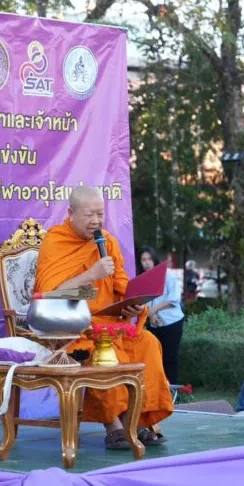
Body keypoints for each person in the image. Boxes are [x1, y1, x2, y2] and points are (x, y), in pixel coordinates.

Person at [34, 186, 173, 450]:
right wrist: (91, 275)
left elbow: (120, 284)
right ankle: (114, 426)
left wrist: (132, 306)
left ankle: (138, 419)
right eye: (89, 215)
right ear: (71, 213)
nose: (96, 221)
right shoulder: (55, 242)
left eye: (100, 214)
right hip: (70, 325)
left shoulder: (106, 242)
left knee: (148, 343)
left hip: (110, 322)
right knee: (102, 350)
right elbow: (49, 295)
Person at [139, 246, 185, 384]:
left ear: (154, 260)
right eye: (143, 260)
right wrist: (151, 315)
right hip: (154, 324)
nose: (147, 263)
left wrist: (154, 310)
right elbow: (144, 301)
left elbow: (174, 299)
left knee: (170, 358)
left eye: (149, 259)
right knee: (155, 358)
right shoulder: (142, 279)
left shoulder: (168, 274)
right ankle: (157, 389)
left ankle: (172, 390)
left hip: (172, 322)